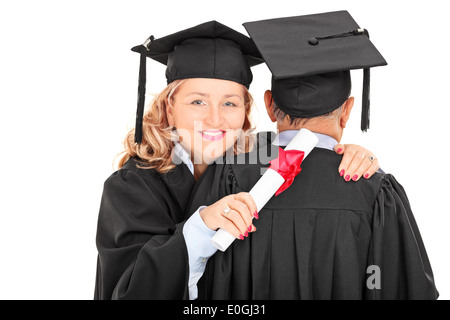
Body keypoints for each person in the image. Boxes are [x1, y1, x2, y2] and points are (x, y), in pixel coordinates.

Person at [94, 20, 382, 300]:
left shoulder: (259, 156)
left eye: (230, 103)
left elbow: (310, 150)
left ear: (246, 110)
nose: (215, 119)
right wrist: (201, 226)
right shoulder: (132, 186)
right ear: (169, 107)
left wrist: (351, 154)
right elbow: (126, 292)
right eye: (198, 101)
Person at [187, 11, 438, 299]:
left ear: (269, 105)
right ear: (347, 111)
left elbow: (191, 280)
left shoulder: (227, 176)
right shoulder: (375, 191)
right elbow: (406, 289)